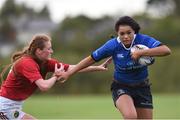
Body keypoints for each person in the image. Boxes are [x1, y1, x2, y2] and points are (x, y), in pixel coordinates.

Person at [58, 16, 171, 119]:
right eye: (122, 33)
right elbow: (90, 59)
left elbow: (166, 50)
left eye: (129, 33)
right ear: (117, 33)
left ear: (134, 32)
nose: (126, 36)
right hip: (121, 86)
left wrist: (141, 53)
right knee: (131, 116)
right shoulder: (112, 45)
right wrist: (69, 73)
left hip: (143, 87)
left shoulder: (143, 40)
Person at [0, 34, 112, 120]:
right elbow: (44, 86)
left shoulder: (45, 62)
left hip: (14, 106)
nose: (51, 51)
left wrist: (98, 67)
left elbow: (74, 68)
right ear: (39, 51)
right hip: (5, 107)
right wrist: (55, 76)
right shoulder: (26, 63)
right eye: (48, 49)